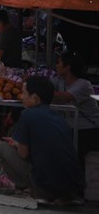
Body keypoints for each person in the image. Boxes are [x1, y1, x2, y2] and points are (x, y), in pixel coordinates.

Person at [0, 76, 81, 203]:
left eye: (24, 93)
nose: (21, 97)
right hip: (71, 186)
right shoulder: (59, 117)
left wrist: (16, 145)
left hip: (45, 183)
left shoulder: (27, 115)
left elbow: (23, 154)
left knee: (1, 147)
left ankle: (36, 190)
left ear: (35, 98)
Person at [53, 51, 99, 186]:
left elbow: (65, 96)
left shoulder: (84, 85)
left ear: (68, 67)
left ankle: (74, 188)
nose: (56, 65)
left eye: (59, 62)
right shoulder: (60, 81)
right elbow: (48, 84)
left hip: (90, 130)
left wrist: (40, 89)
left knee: (71, 154)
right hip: (72, 128)